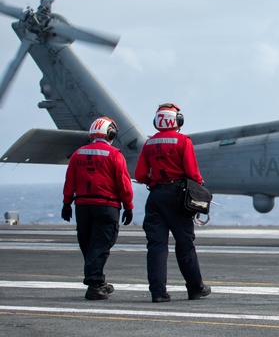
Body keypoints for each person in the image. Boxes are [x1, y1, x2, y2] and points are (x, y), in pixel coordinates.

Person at [134, 103, 211, 303]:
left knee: (156, 246)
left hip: (156, 196)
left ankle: (158, 293)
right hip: (178, 196)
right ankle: (195, 288)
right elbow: (192, 172)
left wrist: (153, 182)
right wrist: (200, 188)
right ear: (177, 121)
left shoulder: (149, 144)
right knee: (185, 244)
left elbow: (140, 174)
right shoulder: (183, 141)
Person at [62, 117, 134, 300]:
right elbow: (124, 184)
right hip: (106, 206)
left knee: (87, 244)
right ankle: (94, 285)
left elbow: (70, 182)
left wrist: (66, 204)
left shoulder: (77, 154)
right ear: (111, 134)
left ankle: (99, 281)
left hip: (83, 206)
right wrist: (128, 207)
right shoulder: (115, 154)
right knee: (101, 245)